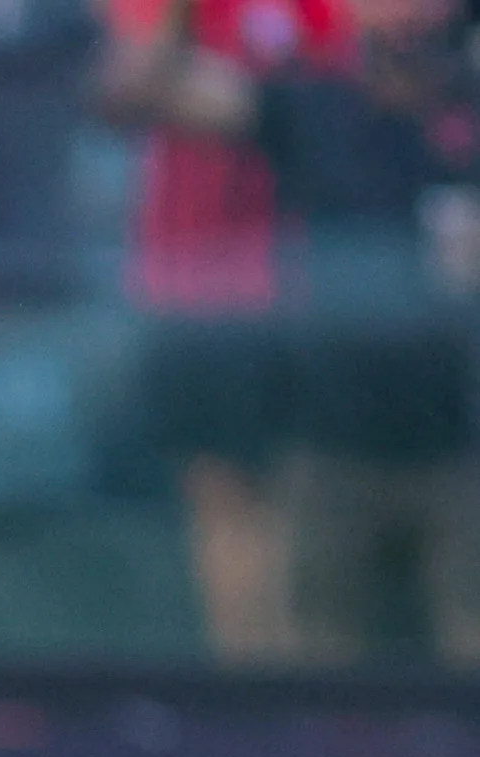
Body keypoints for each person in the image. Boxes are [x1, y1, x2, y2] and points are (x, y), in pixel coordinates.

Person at [112, 0, 480, 660]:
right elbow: (147, 91)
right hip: (328, 444)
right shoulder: (314, 106)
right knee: (310, 665)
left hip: (462, 446)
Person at [98, 0, 347, 661]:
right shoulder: (171, 13)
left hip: (303, 285)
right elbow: (123, 91)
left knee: (303, 498)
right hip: (193, 286)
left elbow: (342, 95)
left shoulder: (319, 12)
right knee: (219, 494)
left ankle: (301, 681)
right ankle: (248, 678)